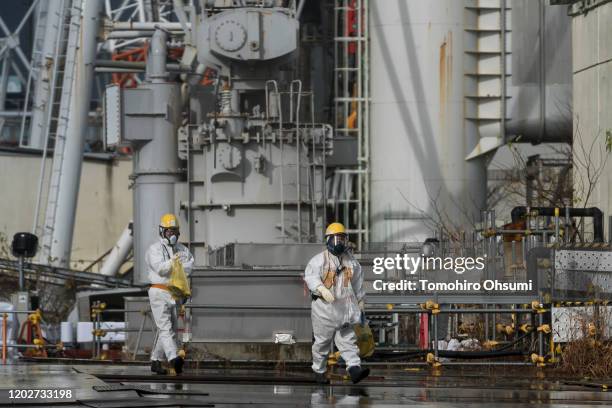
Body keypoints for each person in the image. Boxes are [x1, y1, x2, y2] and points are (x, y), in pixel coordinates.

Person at [304, 222, 369, 384]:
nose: (339, 243)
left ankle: (354, 368)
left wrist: (360, 304)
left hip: (344, 309)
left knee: (347, 338)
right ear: (328, 240)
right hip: (324, 309)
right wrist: (321, 289)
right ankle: (319, 370)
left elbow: (357, 285)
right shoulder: (318, 261)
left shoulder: (352, 263)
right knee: (322, 342)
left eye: (342, 239)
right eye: (336, 239)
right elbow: (311, 277)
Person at [146, 213, 194, 375]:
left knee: (169, 329)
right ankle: (174, 359)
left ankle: (156, 361)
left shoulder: (183, 249)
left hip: (175, 293)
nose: (171, 235)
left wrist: (175, 266)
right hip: (158, 290)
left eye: (174, 231)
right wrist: (175, 263)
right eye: (168, 231)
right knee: (166, 328)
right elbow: (160, 268)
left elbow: (189, 268)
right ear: (162, 231)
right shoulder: (154, 249)